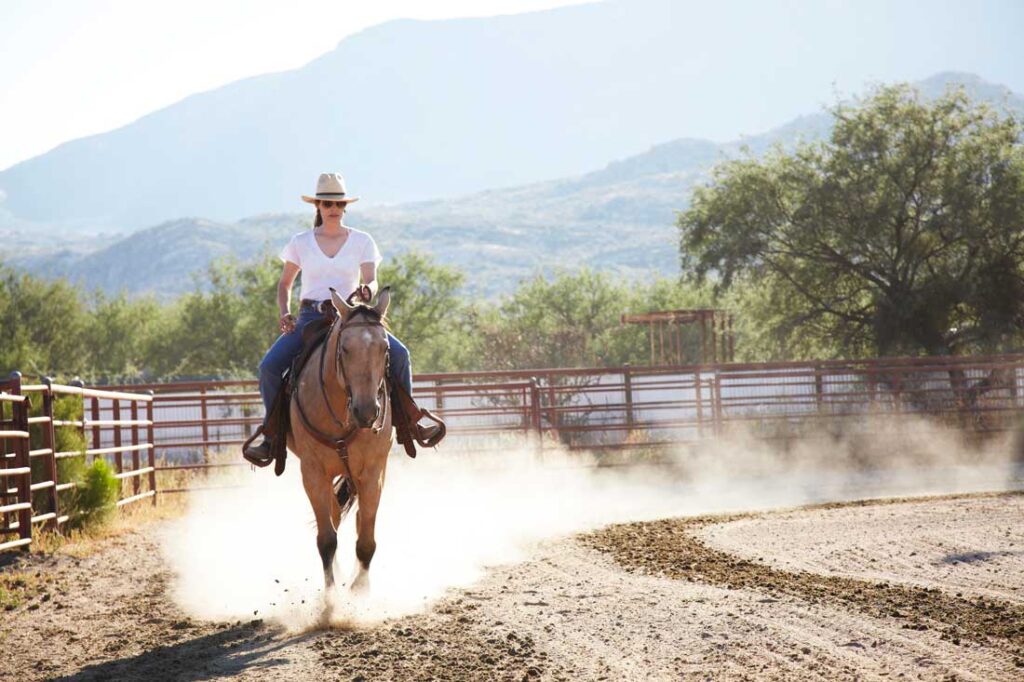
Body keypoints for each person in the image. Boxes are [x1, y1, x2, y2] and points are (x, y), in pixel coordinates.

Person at [243, 172, 442, 464]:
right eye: (326, 204)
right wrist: (285, 312)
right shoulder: (301, 242)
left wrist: (367, 288)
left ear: (345, 206)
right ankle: (272, 436)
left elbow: (372, 280)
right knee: (269, 367)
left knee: (400, 355)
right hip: (311, 316)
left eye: (337, 204)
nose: (332, 209)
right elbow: (285, 284)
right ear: (318, 207)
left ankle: (410, 421)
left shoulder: (362, 240)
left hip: (351, 316)